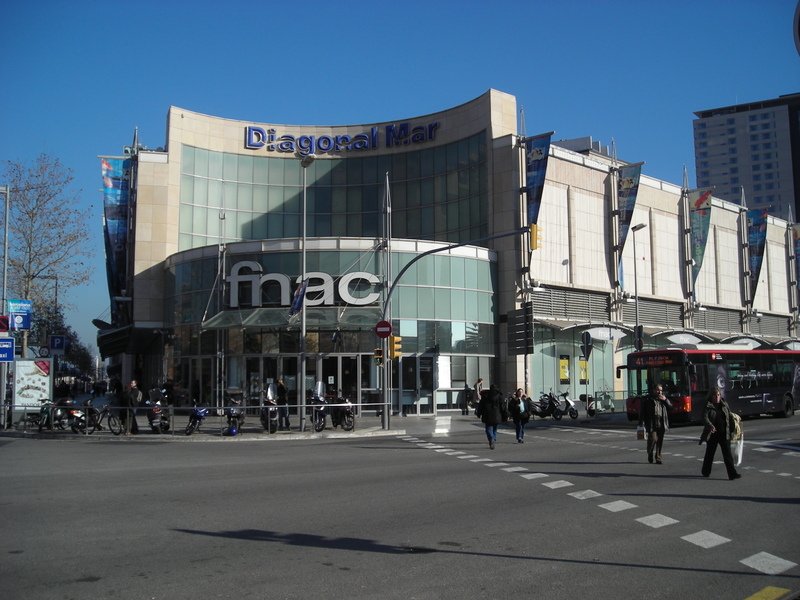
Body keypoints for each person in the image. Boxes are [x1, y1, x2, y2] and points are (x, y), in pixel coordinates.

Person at [701, 388, 742, 480]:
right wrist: (710, 426)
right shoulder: (708, 405)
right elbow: (704, 417)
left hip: (724, 433)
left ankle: (732, 474)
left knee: (728, 455)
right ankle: (705, 471)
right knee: (710, 454)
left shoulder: (724, 404)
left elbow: (729, 416)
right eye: (715, 395)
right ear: (711, 396)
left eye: (718, 395)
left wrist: (732, 428)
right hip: (713, 434)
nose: (717, 397)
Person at [639, 384, 672, 464]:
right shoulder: (647, 399)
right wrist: (641, 422)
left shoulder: (663, 399)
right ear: (653, 390)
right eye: (658, 390)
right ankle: (650, 453)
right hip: (651, 423)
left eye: (661, 390)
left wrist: (666, 400)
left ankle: (658, 457)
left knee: (659, 441)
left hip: (661, 422)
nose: (659, 392)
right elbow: (642, 412)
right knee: (653, 439)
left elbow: (671, 407)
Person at [476, 383, 507, 450]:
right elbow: (503, 407)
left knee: (488, 428)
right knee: (495, 428)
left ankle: (491, 438)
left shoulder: (486, 395)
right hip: (497, 415)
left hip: (487, 414)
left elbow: (481, 406)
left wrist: (479, 413)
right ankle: (493, 439)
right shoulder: (500, 396)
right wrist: (505, 415)